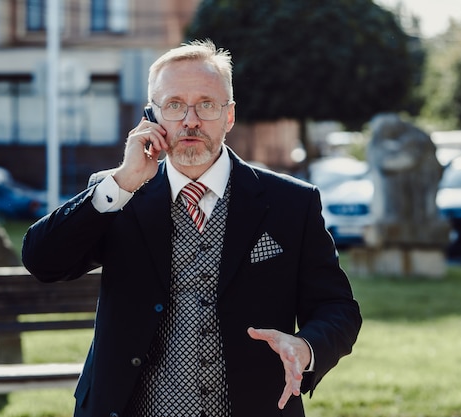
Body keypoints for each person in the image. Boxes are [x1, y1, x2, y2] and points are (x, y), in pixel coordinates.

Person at [22, 39, 362, 417]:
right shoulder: (118, 192)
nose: (190, 120)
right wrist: (122, 181)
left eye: (206, 104)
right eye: (174, 105)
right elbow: (43, 261)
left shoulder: (291, 203)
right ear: (152, 116)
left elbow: (337, 308)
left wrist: (307, 347)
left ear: (229, 116)